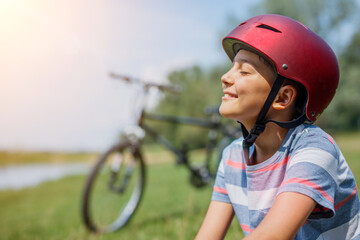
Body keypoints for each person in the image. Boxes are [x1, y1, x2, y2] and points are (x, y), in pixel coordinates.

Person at [195, 14, 360, 240]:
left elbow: (272, 236)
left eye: (243, 71)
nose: (225, 77)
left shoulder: (315, 150)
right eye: (232, 67)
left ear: (283, 98)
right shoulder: (232, 157)